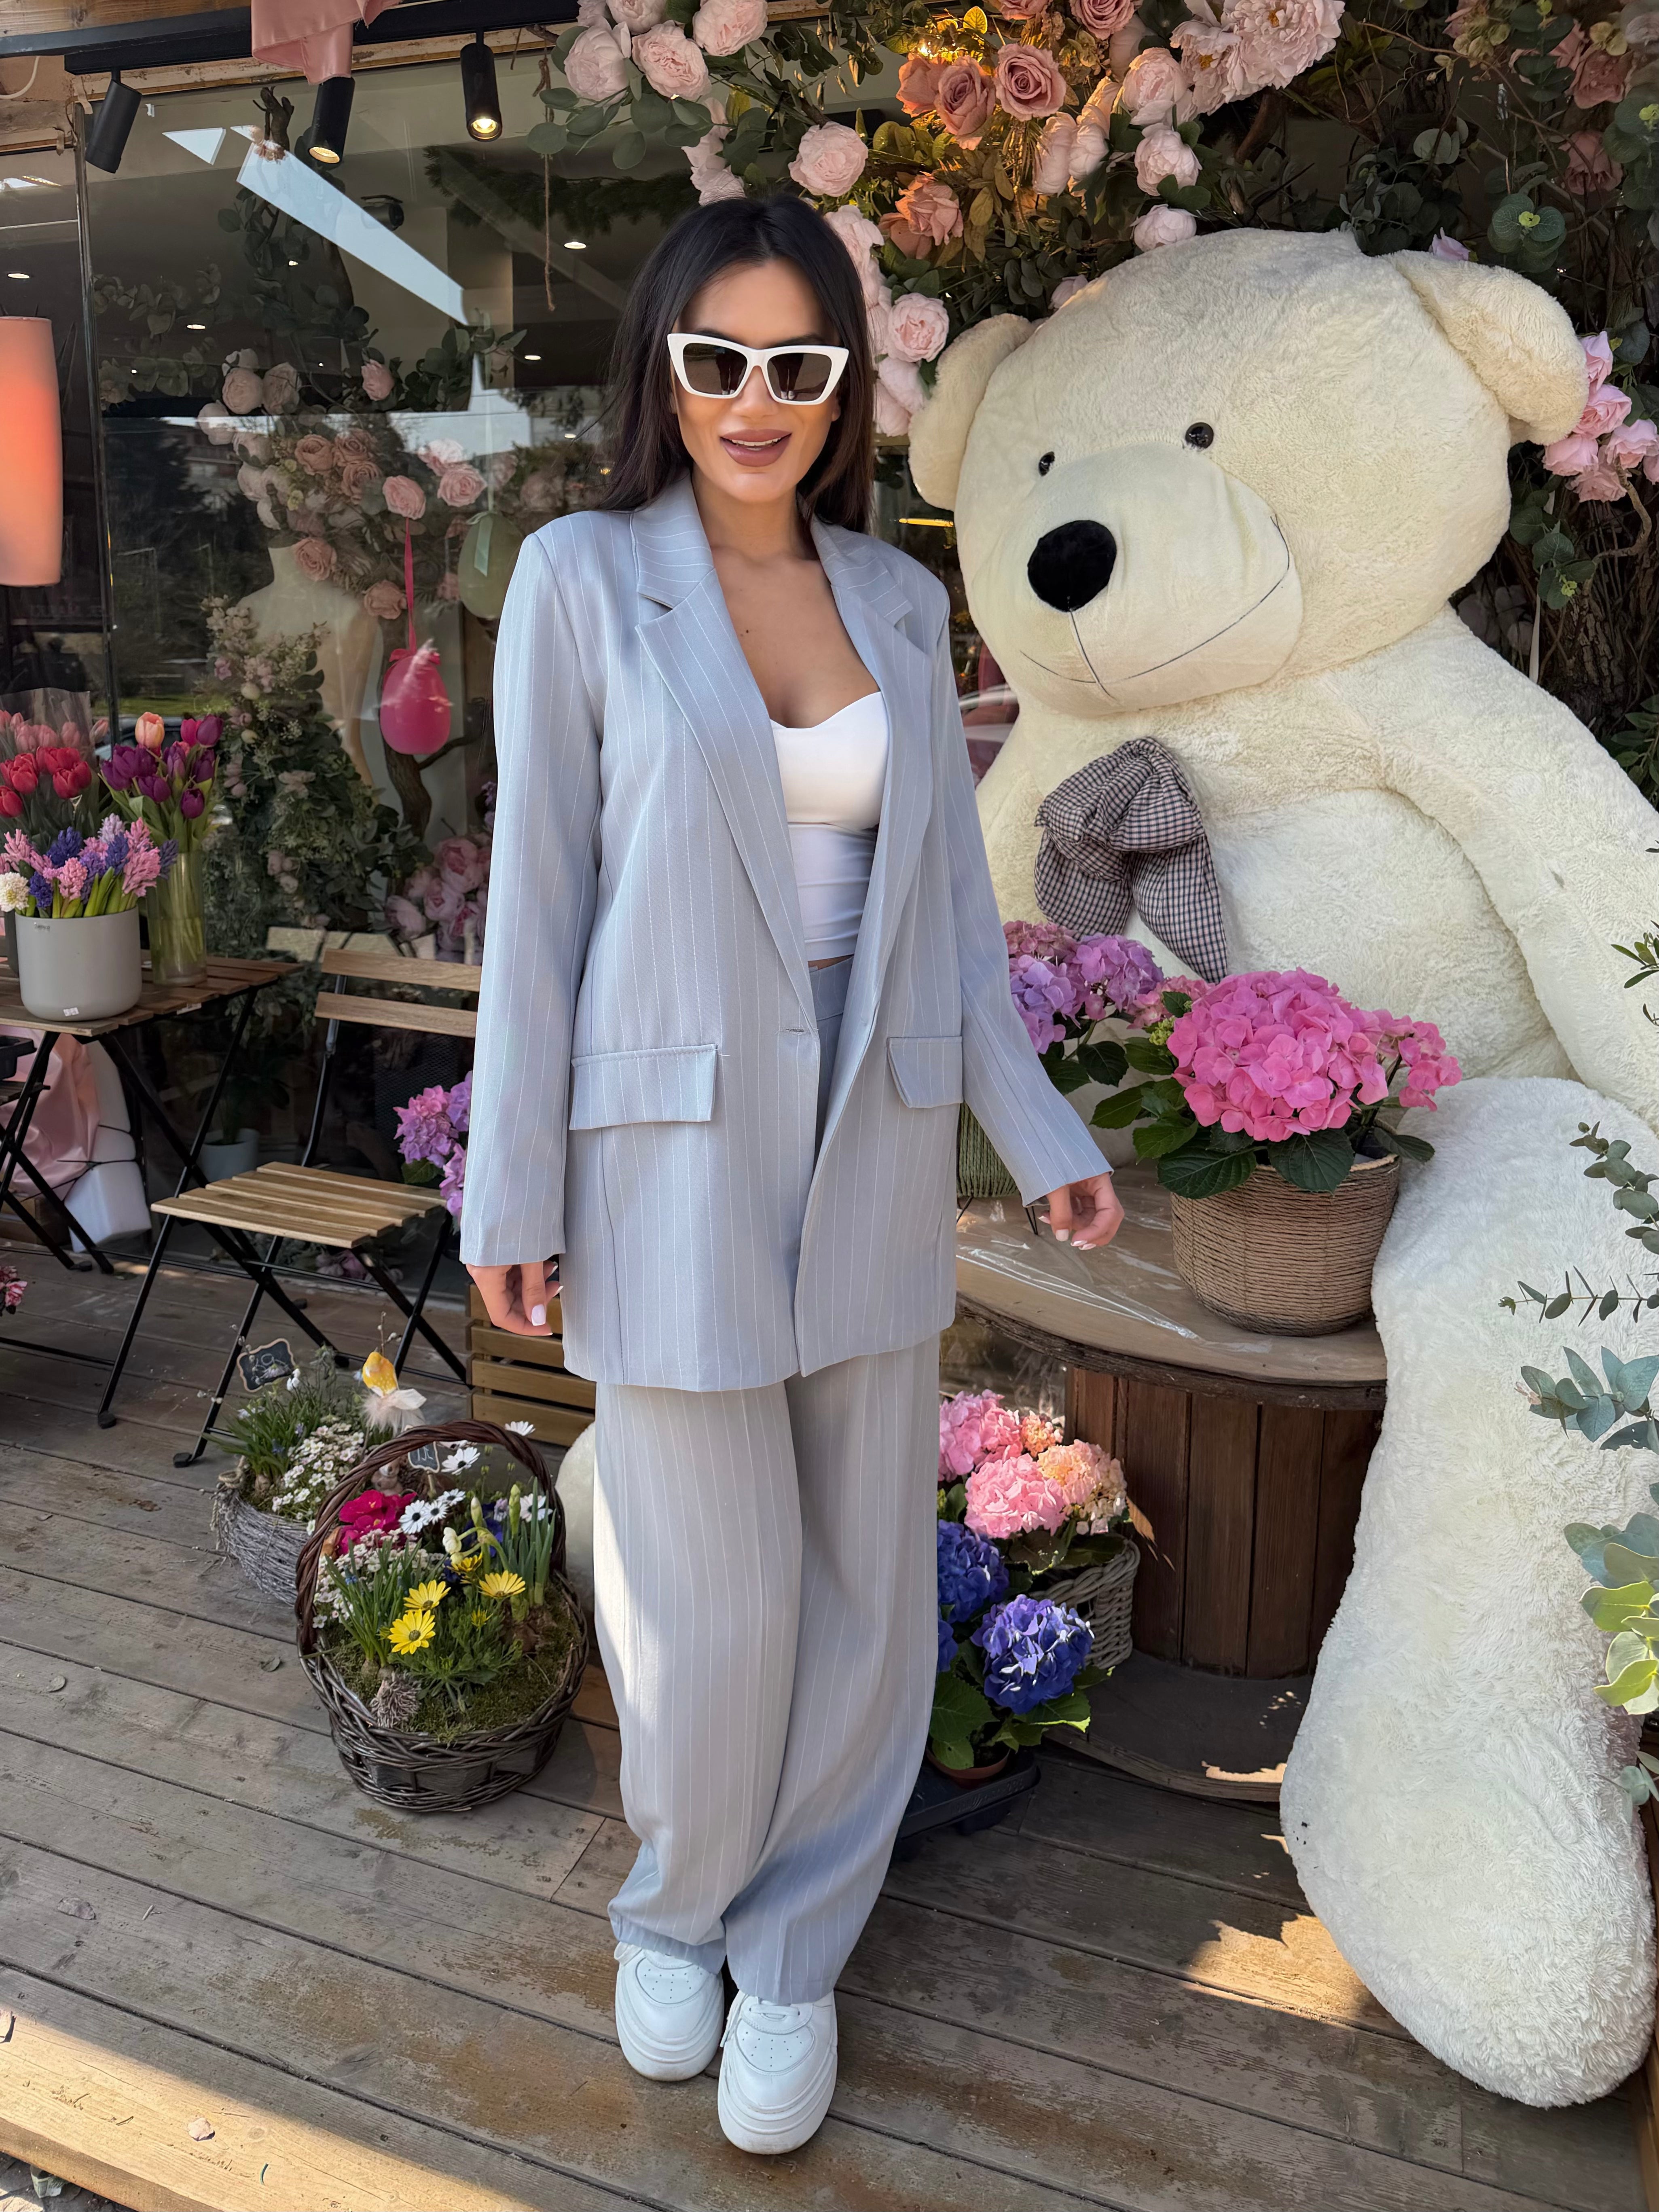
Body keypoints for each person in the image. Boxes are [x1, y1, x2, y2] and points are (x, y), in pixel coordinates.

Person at [462, 194, 1121, 2156]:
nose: (756, 400)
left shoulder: (903, 605)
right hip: (665, 1145)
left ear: (845, 391)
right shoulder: (584, 579)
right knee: (707, 1600)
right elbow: (537, 907)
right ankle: (678, 1907)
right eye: (719, 360)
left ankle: (799, 1947)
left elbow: (950, 922)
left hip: (875, 1128)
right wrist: (512, 1187)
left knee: (864, 1599)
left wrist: (1044, 1133)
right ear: (666, 374)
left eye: (799, 364)